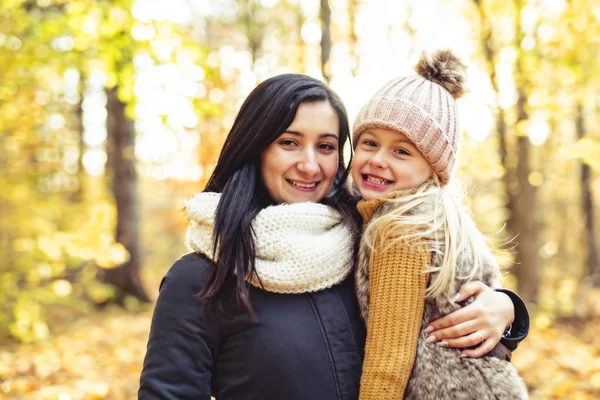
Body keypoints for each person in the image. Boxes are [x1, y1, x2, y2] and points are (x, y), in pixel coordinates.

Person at [138, 73, 529, 400]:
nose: (309, 165)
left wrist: (507, 310)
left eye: (326, 147)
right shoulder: (200, 278)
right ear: (255, 148)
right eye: (289, 142)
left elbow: (447, 332)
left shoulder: (371, 239)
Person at [352, 50, 528, 399]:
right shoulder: (443, 219)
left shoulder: (399, 231)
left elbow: (388, 362)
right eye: (369, 143)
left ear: (433, 166)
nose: (377, 160)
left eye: (401, 151)